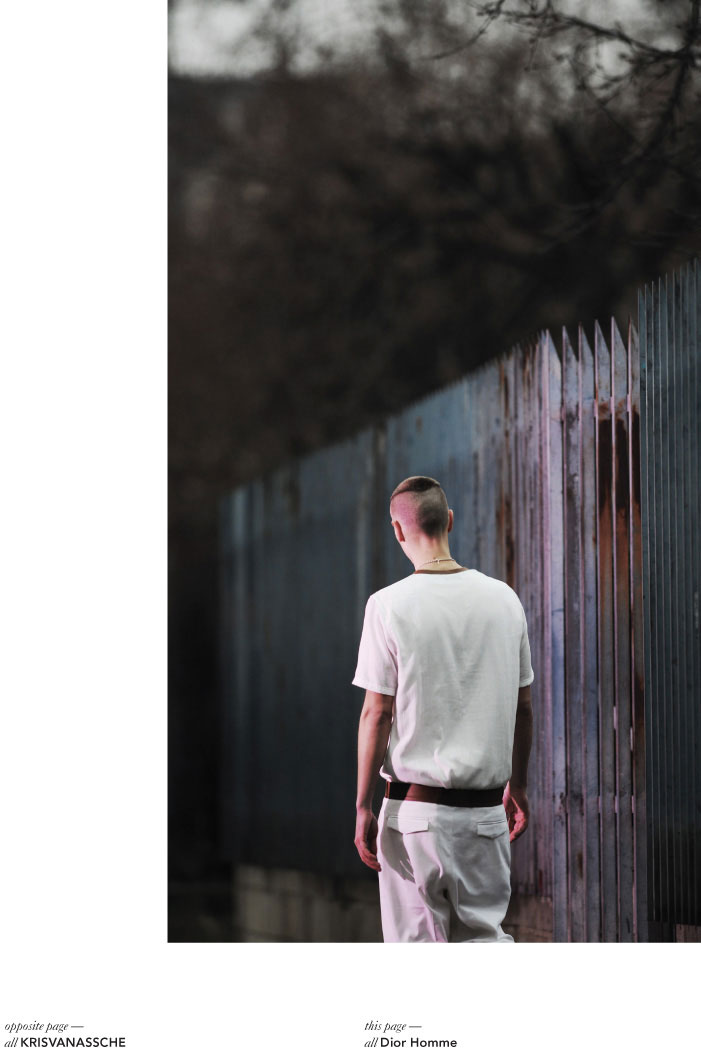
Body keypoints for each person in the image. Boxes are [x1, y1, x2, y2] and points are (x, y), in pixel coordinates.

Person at [352, 475, 534, 942]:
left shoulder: (387, 606)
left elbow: (377, 713)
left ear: (397, 530)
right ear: (449, 521)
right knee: (483, 942)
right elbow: (523, 708)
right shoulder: (505, 600)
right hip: (486, 816)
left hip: (413, 817)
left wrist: (362, 806)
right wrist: (518, 784)